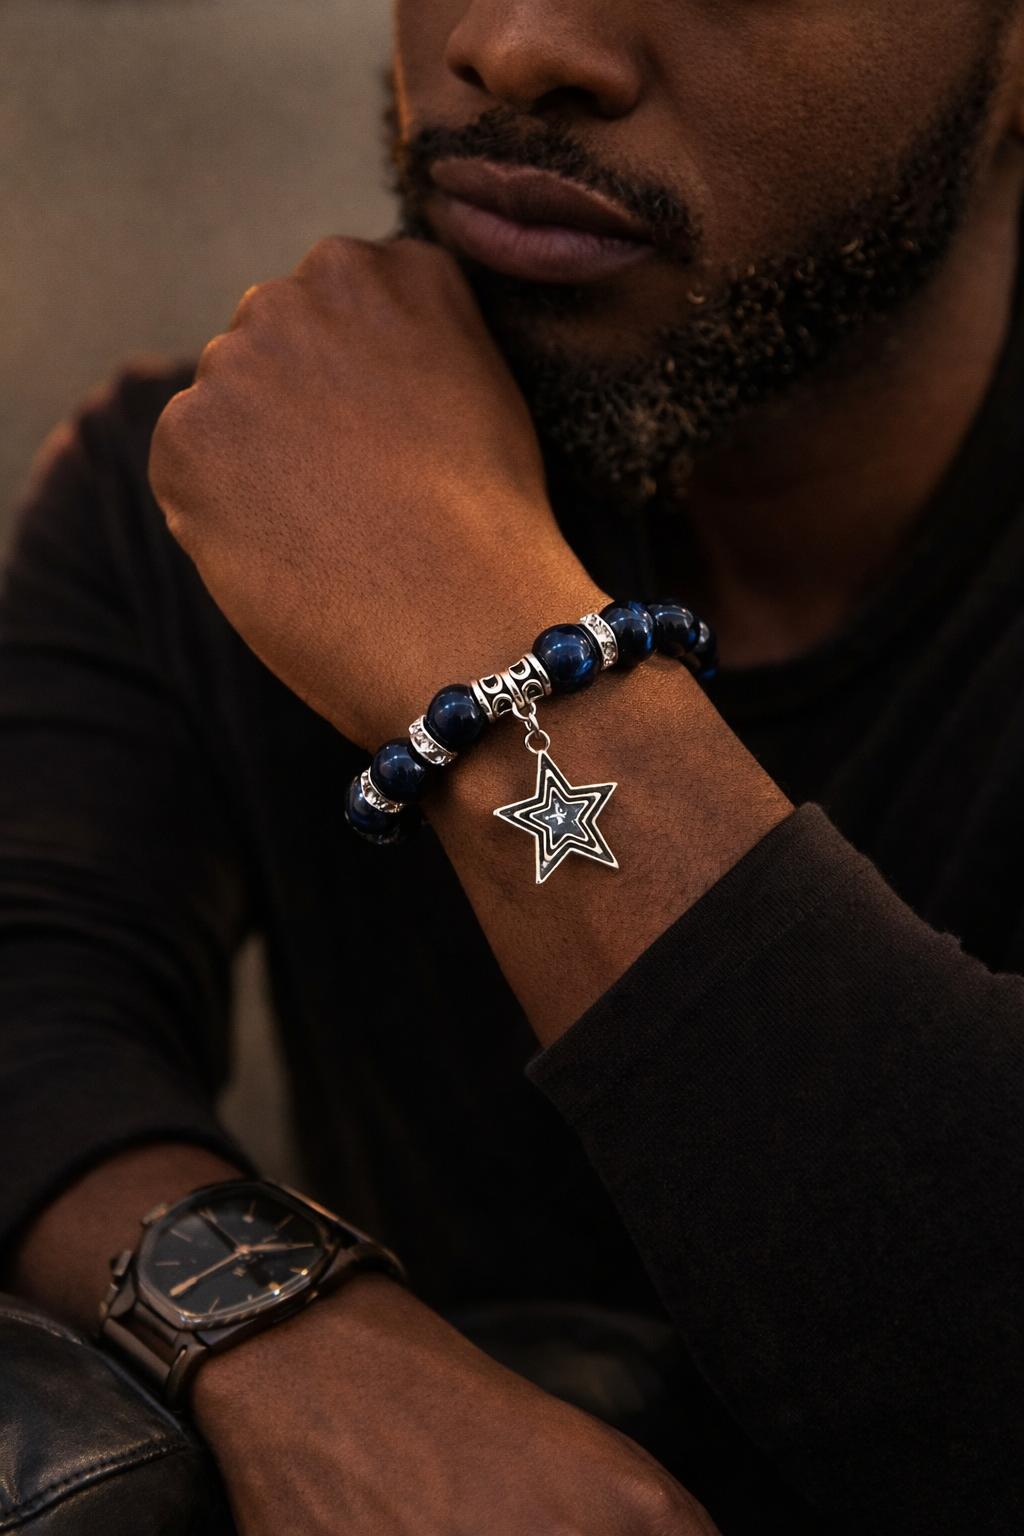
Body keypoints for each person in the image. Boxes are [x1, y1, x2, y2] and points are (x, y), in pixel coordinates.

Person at [1, 0, 1022, 1531]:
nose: (522, 40)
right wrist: (289, 1341)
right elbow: (31, 994)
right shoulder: (236, 478)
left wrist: (487, 642)